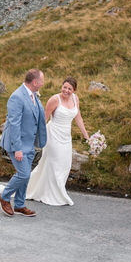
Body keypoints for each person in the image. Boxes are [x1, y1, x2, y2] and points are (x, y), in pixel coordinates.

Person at [26, 76, 89, 206]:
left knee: (65, 164)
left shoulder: (75, 99)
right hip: (53, 135)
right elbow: (43, 119)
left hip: (66, 137)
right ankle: (52, 194)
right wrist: (37, 137)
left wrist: (86, 136)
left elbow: (78, 118)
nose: (66, 90)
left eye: (69, 89)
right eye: (64, 87)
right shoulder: (55, 100)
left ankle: (55, 190)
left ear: (74, 90)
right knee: (54, 162)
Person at [0, 69, 48, 217]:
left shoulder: (33, 96)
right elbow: (14, 125)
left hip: (29, 143)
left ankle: (19, 204)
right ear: (35, 82)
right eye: (42, 81)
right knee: (23, 174)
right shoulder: (16, 97)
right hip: (16, 144)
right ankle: (4, 196)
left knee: (26, 175)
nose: (43, 83)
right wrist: (17, 149)